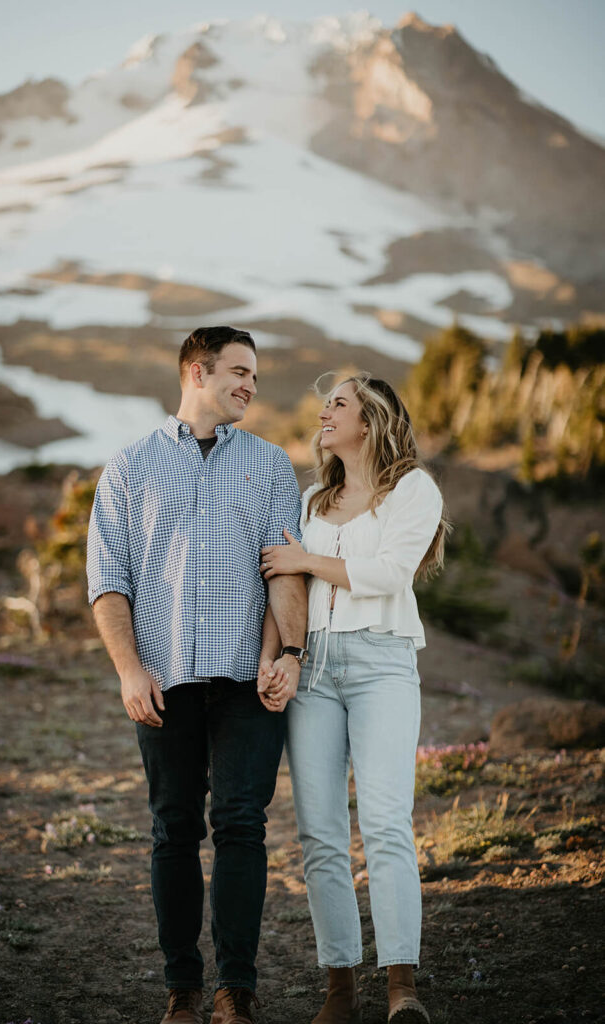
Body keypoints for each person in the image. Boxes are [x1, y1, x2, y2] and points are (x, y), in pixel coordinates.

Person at [86, 326, 308, 1024]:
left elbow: (282, 571)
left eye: (254, 375)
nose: (249, 385)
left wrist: (283, 654)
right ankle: (181, 987)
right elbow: (107, 581)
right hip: (163, 680)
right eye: (238, 372)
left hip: (248, 681)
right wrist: (128, 670)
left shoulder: (272, 467)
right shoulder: (127, 468)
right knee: (172, 829)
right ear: (196, 371)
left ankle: (233, 990)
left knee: (241, 824)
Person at [258, 374, 449, 1024]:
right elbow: (277, 585)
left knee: (387, 823)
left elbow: (390, 574)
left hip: (381, 665)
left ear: (369, 420)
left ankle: (401, 989)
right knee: (318, 834)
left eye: (337, 403)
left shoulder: (412, 490)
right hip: (312, 671)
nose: (323, 412)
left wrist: (304, 562)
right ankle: (337, 991)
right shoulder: (312, 499)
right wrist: (278, 657)